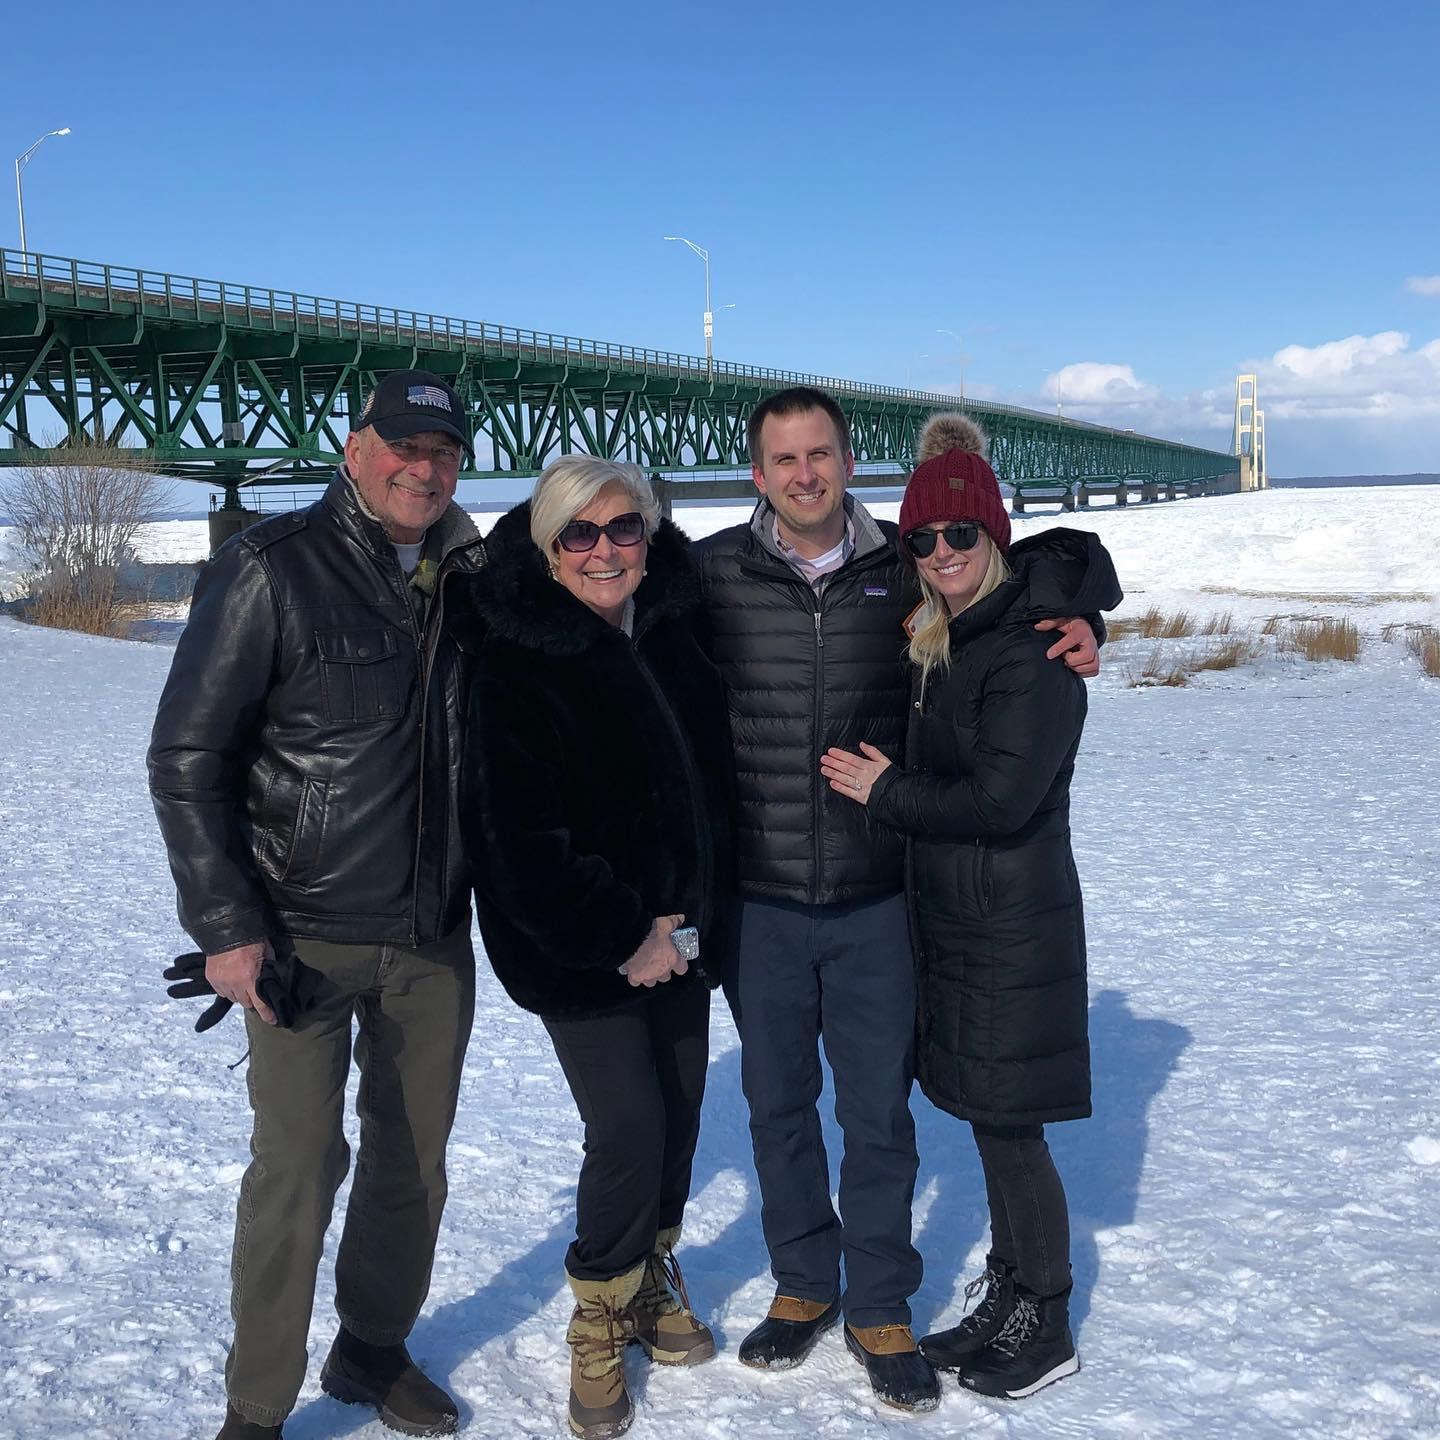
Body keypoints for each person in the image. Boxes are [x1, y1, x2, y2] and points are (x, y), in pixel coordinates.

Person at [693, 387, 1109, 1412]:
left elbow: (1017, 591)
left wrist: (1079, 610)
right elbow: (581, 585)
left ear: (846, 462)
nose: (804, 474)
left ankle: (880, 1300)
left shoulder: (902, 576)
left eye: (821, 454)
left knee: (878, 1112)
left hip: (882, 892)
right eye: (783, 459)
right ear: (758, 474)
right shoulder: (708, 574)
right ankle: (802, 1286)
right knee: (777, 1107)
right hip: (762, 896)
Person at [148, 370, 485, 1440]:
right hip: (301, 936)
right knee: (297, 1168)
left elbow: (617, 582)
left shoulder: (476, 575)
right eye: (403, 446)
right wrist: (226, 927)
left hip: (430, 935)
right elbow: (187, 754)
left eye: (442, 452)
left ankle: (372, 1349)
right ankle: (256, 1407)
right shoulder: (270, 568)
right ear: (356, 447)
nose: (422, 468)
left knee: (412, 1165)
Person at [821, 412, 1120, 1400]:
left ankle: (1047, 1318)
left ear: (994, 538)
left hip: (1008, 920)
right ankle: (1008, 1294)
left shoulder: (1031, 650)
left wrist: (885, 793)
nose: (941, 553)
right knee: (991, 1115)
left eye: (961, 536)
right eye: (924, 539)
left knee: (1010, 1127)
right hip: (964, 917)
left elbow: (1001, 800)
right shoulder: (955, 628)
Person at [449, 457, 735, 1440]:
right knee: (628, 1125)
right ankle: (599, 1319)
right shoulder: (516, 656)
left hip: (688, 934)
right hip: (583, 947)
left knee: (685, 1107)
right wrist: (624, 934)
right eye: (580, 534)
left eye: (625, 530)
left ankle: (652, 1276)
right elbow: (513, 841)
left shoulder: (678, 627)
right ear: (547, 544)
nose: (606, 550)